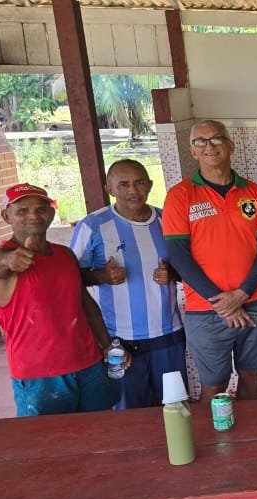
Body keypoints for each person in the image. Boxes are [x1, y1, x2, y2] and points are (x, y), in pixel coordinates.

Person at [164, 120, 257, 401]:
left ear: (230, 146)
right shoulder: (180, 196)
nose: (209, 146)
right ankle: (213, 432)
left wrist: (240, 295)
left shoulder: (255, 193)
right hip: (205, 308)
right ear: (193, 151)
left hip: (255, 300)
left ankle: (250, 430)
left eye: (216, 139)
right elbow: (179, 256)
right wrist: (222, 303)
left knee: (252, 375)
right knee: (214, 385)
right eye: (200, 141)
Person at [0, 183, 120, 417]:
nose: (33, 215)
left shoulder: (64, 254)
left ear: (51, 213)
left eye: (41, 209)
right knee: (47, 439)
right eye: (22, 210)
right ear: (6, 216)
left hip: (89, 365)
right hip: (39, 376)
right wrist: (9, 260)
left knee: (100, 432)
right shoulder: (4, 261)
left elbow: (86, 305)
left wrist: (107, 345)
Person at [69, 159, 186, 409]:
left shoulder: (168, 220)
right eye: (123, 184)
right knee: (127, 411)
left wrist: (172, 273)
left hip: (169, 334)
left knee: (175, 407)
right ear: (109, 189)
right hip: (117, 339)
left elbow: (189, 267)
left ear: (150, 185)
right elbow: (70, 277)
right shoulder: (92, 225)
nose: (133, 190)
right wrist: (101, 276)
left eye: (139, 182)